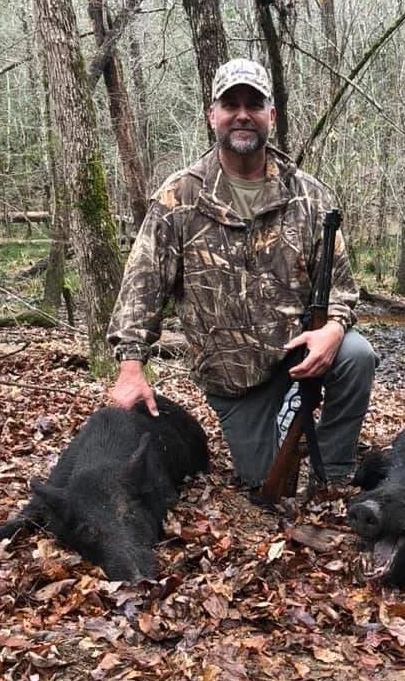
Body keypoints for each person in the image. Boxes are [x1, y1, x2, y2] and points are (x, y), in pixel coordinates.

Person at [107, 57, 376, 491]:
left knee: (357, 355)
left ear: (272, 115)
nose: (243, 115)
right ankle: (280, 435)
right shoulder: (180, 196)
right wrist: (131, 367)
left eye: (254, 104)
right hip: (234, 378)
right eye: (231, 105)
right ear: (212, 115)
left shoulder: (309, 196)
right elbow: (142, 286)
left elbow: (342, 288)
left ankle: (334, 466)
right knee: (267, 484)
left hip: (297, 356)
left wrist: (333, 328)